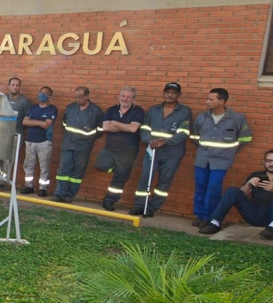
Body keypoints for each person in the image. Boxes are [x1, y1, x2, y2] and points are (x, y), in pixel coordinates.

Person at [197, 149, 273, 239]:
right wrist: (248, 185)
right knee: (232, 190)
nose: (272, 164)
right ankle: (214, 223)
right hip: (256, 214)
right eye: (268, 161)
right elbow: (240, 196)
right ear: (264, 162)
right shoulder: (256, 175)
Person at [189, 88, 253, 226]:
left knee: (213, 188)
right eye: (208, 99)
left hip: (221, 161)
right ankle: (199, 215)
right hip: (202, 159)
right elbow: (194, 137)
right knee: (200, 186)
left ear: (222, 101)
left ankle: (209, 217)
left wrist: (230, 151)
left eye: (211, 99)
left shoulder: (237, 119)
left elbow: (245, 138)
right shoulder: (201, 117)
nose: (207, 102)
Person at [130, 82, 193, 217]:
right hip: (152, 150)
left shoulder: (184, 111)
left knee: (165, 180)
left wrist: (166, 141)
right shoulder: (154, 110)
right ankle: (140, 205)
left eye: (173, 93)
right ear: (163, 93)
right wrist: (149, 140)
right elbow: (145, 128)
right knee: (145, 178)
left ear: (179, 95)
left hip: (172, 153)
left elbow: (183, 132)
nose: (170, 95)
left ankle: (152, 208)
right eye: (167, 92)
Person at [51, 86, 104, 203]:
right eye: (76, 97)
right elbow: (64, 123)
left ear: (87, 96)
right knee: (63, 169)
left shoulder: (96, 111)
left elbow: (100, 129)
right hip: (68, 143)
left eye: (80, 97)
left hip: (84, 147)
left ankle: (70, 194)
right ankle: (59, 193)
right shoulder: (70, 108)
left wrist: (89, 138)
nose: (77, 100)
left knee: (78, 171)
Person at [97, 87, 145, 211]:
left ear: (134, 98)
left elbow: (133, 129)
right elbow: (105, 127)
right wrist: (125, 127)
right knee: (99, 165)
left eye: (129, 97)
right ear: (119, 96)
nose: (125, 99)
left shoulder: (138, 111)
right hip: (110, 148)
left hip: (127, 151)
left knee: (120, 178)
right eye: (123, 96)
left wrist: (114, 122)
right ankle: (114, 167)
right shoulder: (112, 109)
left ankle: (109, 201)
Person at [0, 77, 32, 190]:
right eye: (13, 85)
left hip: (15, 135)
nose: (15, 87)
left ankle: (2, 182)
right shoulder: (2, 98)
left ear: (19, 87)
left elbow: (27, 120)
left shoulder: (25, 101)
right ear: (8, 86)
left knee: (8, 159)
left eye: (17, 85)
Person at [20, 86, 56, 197]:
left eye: (46, 93)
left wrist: (34, 122)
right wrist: (40, 122)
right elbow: (25, 122)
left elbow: (46, 125)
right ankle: (28, 186)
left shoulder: (52, 109)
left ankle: (43, 188)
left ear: (50, 96)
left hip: (44, 142)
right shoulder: (32, 108)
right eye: (41, 92)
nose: (42, 95)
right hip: (30, 141)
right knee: (28, 165)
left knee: (44, 166)